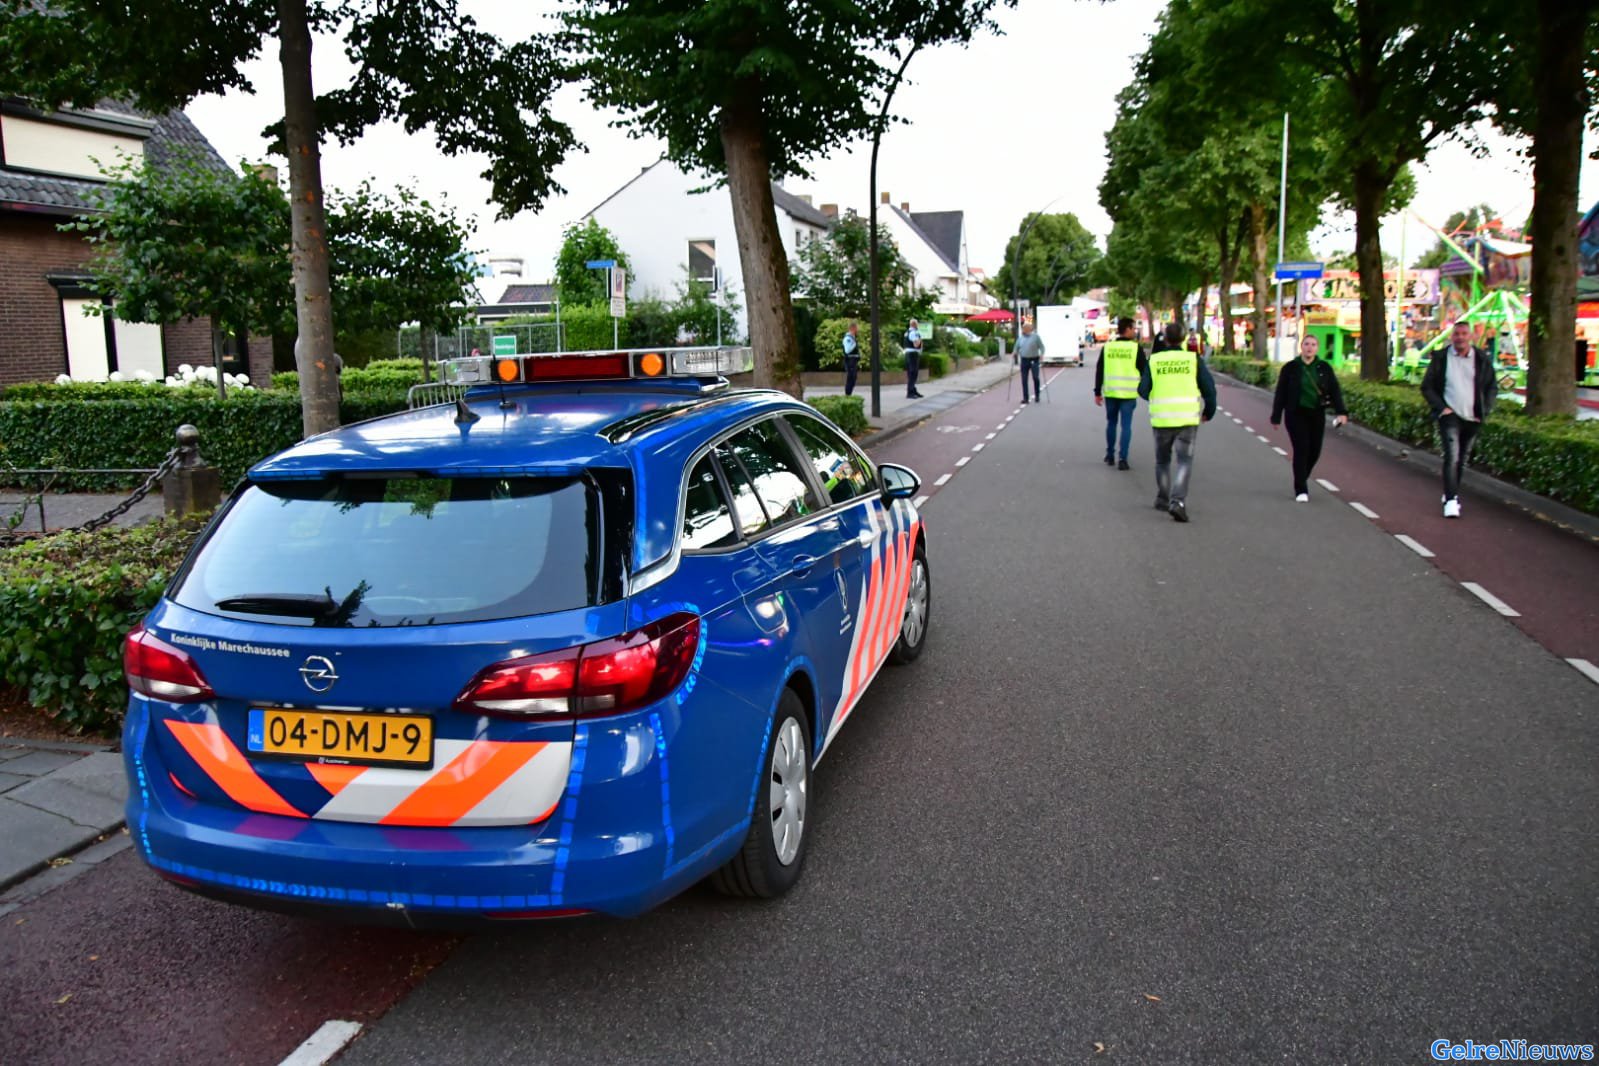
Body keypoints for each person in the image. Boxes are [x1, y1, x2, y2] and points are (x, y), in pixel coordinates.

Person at [1138, 322, 1216, 523]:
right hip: (1187, 419)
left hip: (1162, 419)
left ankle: (1163, 499)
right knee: (1184, 461)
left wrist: (1156, 397)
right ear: (1183, 339)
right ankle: (1178, 501)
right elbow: (1209, 388)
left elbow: (1143, 390)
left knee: (1162, 461)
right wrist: (1209, 411)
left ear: (1165, 339)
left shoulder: (1155, 360)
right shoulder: (1193, 359)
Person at [1420, 320, 1497, 518]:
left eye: (1464, 334)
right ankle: (1451, 501)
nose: (1460, 338)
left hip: (1472, 416)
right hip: (1450, 416)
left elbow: (1491, 386)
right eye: (1456, 334)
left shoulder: (1481, 359)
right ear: (1451, 337)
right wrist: (1442, 408)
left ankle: (1450, 492)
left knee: (1462, 460)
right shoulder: (1441, 358)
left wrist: (1485, 410)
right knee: (1452, 456)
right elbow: (1427, 386)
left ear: (1471, 336)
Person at [1270, 334, 1349, 501]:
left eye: (1313, 344)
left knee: (1314, 451)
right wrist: (1276, 416)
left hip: (1316, 413)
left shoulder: (1324, 368)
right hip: (1295, 413)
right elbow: (1281, 392)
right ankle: (1301, 489)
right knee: (1302, 449)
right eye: (1306, 344)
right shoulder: (1290, 368)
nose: (1309, 347)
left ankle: (1301, 476)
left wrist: (1341, 411)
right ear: (1301, 346)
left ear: (1317, 348)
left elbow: (1334, 390)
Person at [1094, 316, 1147, 468]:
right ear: (1127, 329)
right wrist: (1146, 390)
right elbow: (1145, 371)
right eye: (1133, 328)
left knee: (1111, 423)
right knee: (1126, 426)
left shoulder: (1108, 348)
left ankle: (1110, 455)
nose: (1135, 331)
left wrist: (1097, 392)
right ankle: (1123, 459)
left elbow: (1100, 369)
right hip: (1128, 394)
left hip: (1111, 393)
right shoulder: (1136, 348)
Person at [1014, 318, 1045, 404]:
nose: (1024, 331)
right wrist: (1014, 352)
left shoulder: (1036, 337)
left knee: (1035, 377)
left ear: (1030, 329)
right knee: (1024, 379)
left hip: (1034, 359)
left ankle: (1037, 395)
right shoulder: (1020, 338)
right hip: (1024, 360)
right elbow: (1016, 347)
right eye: (1023, 329)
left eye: (1025, 329)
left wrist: (1042, 354)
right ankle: (1025, 398)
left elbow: (1042, 347)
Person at [903, 318, 924, 399]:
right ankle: (910, 392)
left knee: (911, 373)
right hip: (913, 354)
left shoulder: (907, 332)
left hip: (908, 354)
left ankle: (913, 390)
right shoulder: (913, 333)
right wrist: (920, 339)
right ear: (914, 324)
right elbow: (916, 344)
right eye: (917, 324)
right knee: (913, 373)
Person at [842, 321, 861, 397]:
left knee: (853, 378)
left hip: (853, 361)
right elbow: (847, 350)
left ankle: (849, 394)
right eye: (857, 328)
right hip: (850, 361)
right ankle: (848, 394)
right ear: (853, 328)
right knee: (851, 377)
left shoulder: (853, 338)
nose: (858, 329)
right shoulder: (848, 338)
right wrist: (854, 344)